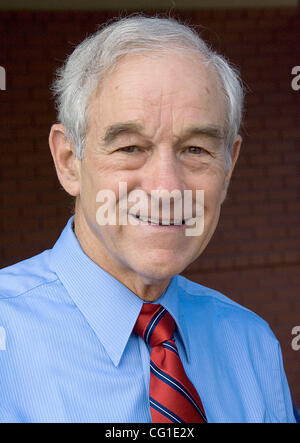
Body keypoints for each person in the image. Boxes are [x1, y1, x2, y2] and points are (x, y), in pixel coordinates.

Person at [0, 15, 296, 423]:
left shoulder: (252, 343)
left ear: (227, 169)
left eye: (195, 149)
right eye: (130, 147)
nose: (166, 188)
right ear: (69, 162)